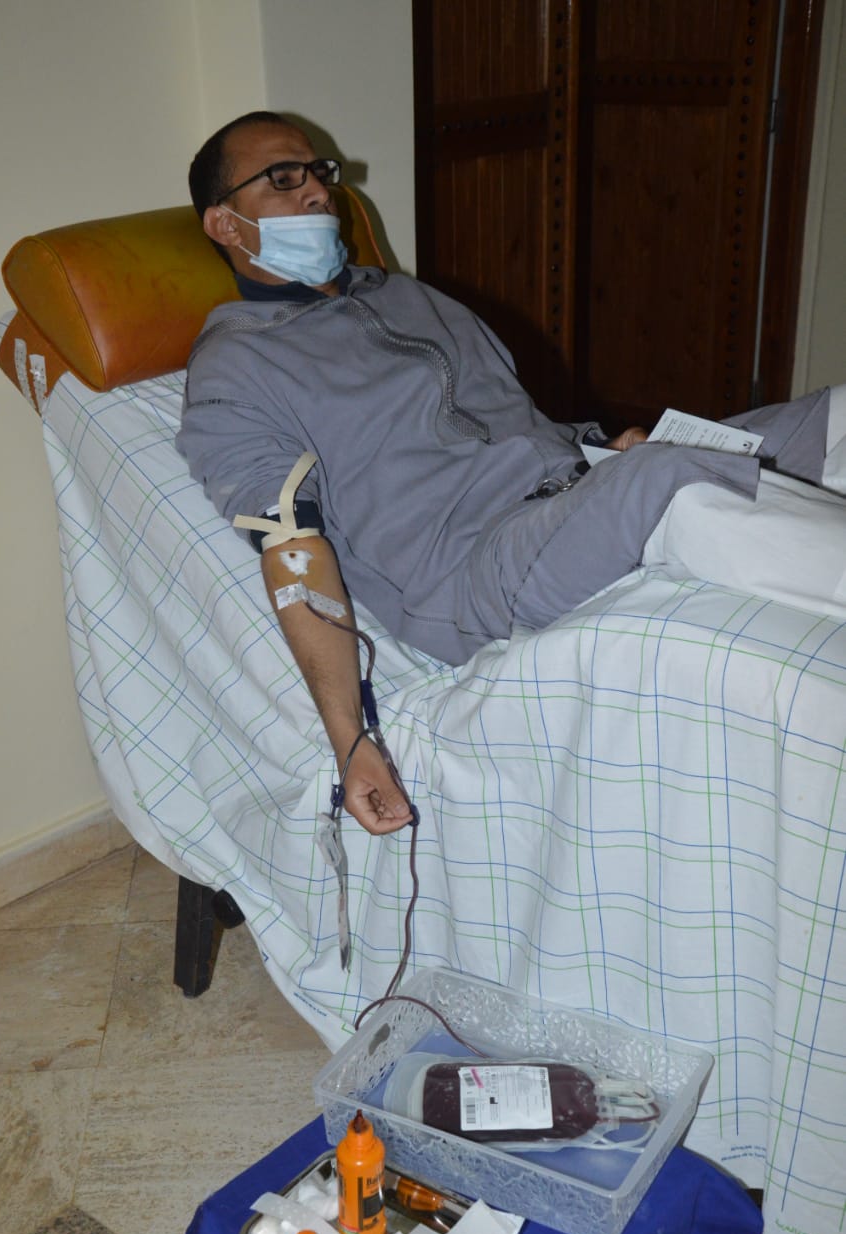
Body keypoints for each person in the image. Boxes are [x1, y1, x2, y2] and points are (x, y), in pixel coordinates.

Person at [178, 111, 846, 837]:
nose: (316, 191)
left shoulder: (407, 298)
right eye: (283, 179)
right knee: (671, 479)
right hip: (475, 569)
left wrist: (600, 443)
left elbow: (513, 420)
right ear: (225, 223)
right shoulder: (234, 366)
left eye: (318, 173)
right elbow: (290, 549)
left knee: (830, 417)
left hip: (576, 488)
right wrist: (350, 741)